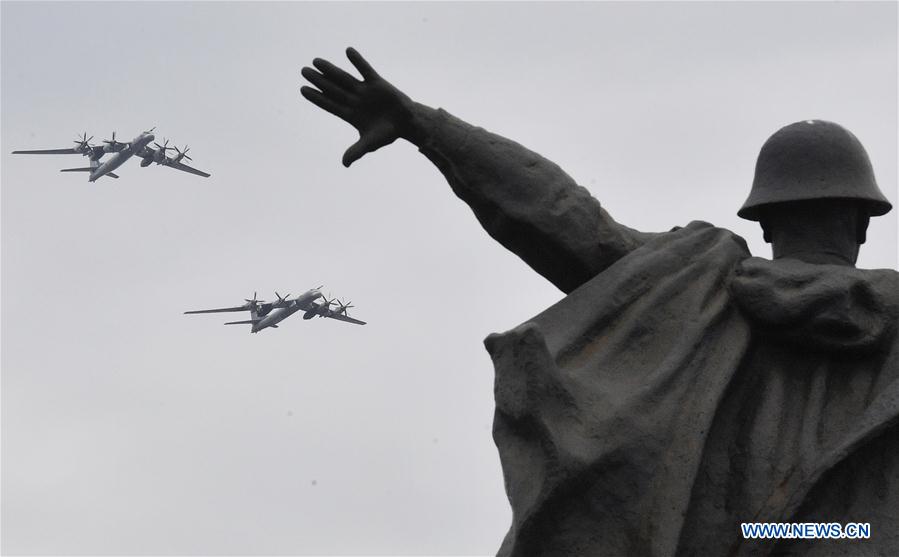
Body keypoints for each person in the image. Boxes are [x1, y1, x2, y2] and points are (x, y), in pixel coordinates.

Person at [301, 48, 898, 556]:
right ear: (862, 221)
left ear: (764, 221)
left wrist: (427, 128)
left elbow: (564, 218)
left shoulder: (694, 286)